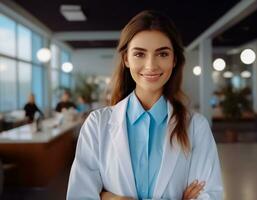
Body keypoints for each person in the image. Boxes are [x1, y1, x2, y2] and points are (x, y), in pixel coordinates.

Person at [67, 10, 223, 200]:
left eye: (162, 54)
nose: (151, 65)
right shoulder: (97, 124)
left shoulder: (196, 127)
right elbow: (79, 195)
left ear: (174, 60)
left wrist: (107, 197)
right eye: (140, 54)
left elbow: (209, 195)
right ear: (126, 59)